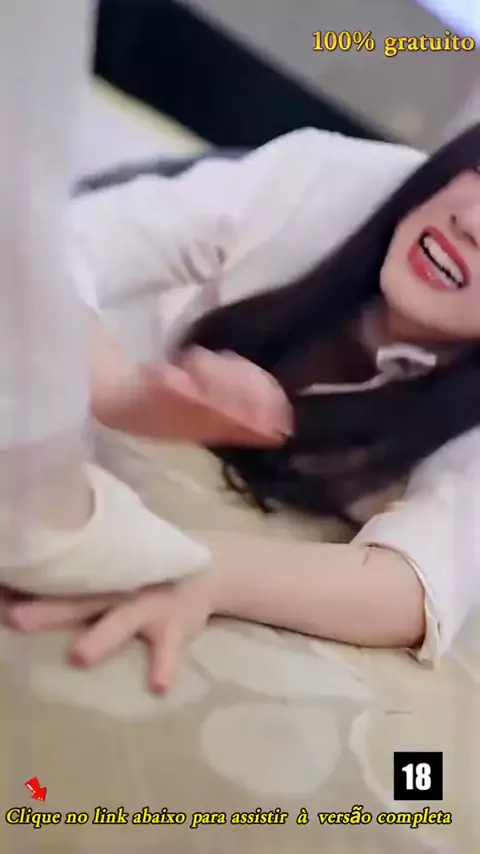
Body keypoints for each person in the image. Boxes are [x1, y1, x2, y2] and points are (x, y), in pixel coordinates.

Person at [6, 124, 480, 693]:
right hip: (156, 285)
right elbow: (53, 248)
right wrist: (119, 388)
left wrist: (204, 570)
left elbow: (414, 584)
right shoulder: (330, 178)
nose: (471, 222)